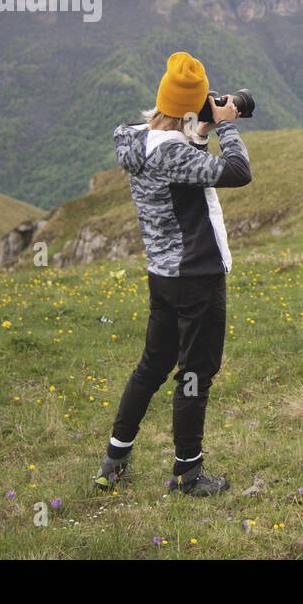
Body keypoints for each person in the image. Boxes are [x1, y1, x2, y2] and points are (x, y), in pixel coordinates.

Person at [93, 51, 252, 496]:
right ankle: (188, 473)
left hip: (162, 274)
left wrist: (198, 132)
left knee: (153, 366)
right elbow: (238, 172)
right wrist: (225, 124)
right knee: (194, 372)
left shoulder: (140, 141)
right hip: (196, 276)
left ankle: (114, 459)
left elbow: (182, 169)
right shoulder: (174, 156)